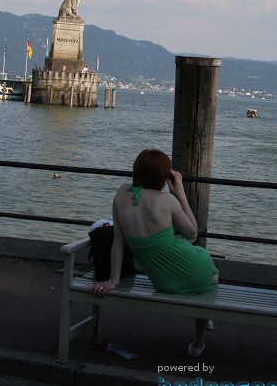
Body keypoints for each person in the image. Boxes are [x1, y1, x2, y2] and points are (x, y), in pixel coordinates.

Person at [91, 149, 219, 357]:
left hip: (163, 281)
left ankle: (202, 327)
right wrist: (180, 193)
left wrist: (113, 280)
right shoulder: (166, 200)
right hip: (189, 262)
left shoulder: (122, 193)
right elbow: (193, 234)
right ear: (164, 176)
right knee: (210, 278)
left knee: (201, 280)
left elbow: (118, 240)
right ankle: (199, 341)